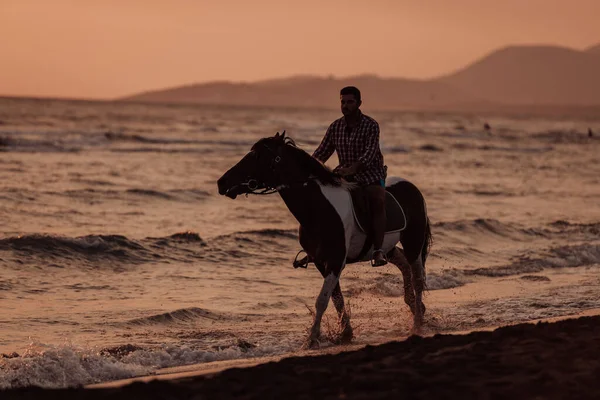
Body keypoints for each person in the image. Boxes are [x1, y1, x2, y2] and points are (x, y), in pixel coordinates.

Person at [312, 86, 388, 266]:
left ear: (359, 103)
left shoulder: (371, 125)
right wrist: (308, 166)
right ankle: (315, 247)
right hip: (345, 175)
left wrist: (352, 169)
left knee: (377, 199)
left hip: (370, 174)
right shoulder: (335, 126)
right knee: (320, 199)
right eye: (343, 102)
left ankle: (378, 250)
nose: (345, 106)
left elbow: (369, 154)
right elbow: (321, 153)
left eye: (350, 102)